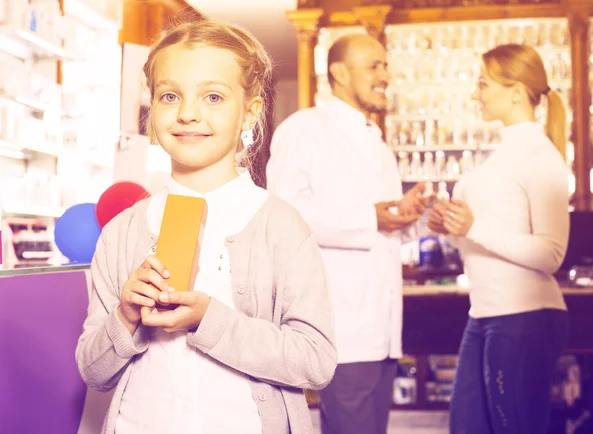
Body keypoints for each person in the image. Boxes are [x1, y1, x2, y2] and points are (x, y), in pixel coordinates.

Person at [75, 20, 337, 434]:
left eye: (213, 96)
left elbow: (315, 361)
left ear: (249, 113)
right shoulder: (123, 232)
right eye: (170, 95)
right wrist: (125, 317)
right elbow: (93, 371)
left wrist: (209, 320)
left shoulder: (282, 228)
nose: (188, 113)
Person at [266, 34, 429, 434]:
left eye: (386, 66)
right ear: (338, 72)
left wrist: (410, 217)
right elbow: (281, 214)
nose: (385, 75)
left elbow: (383, 228)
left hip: (385, 330)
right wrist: (370, 218)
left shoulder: (378, 142)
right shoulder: (305, 129)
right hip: (342, 328)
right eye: (374, 66)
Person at [428, 44, 570, 434]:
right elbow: (482, 245)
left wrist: (472, 226)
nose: (476, 93)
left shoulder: (541, 156)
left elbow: (552, 252)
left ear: (516, 91)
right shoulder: (505, 153)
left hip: (524, 317)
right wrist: (453, 228)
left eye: (483, 83)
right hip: (486, 313)